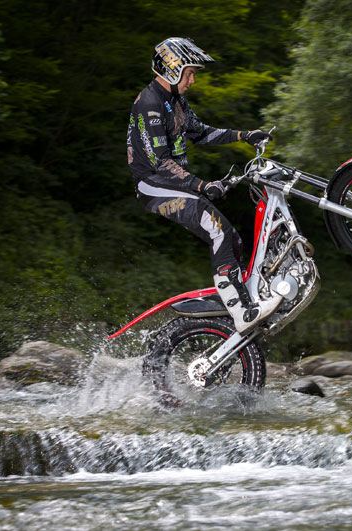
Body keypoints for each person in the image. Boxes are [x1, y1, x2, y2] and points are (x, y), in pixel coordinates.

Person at [127, 37, 281, 333]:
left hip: (174, 185)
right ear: (172, 69)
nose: (193, 80)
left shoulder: (176, 101)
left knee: (232, 238)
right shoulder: (150, 104)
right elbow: (160, 162)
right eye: (190, 72)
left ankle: (239, 303)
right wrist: (202, 186)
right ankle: (241, 312)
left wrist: (244, 135)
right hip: (153, 186)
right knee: (217, 229)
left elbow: (201, 134)